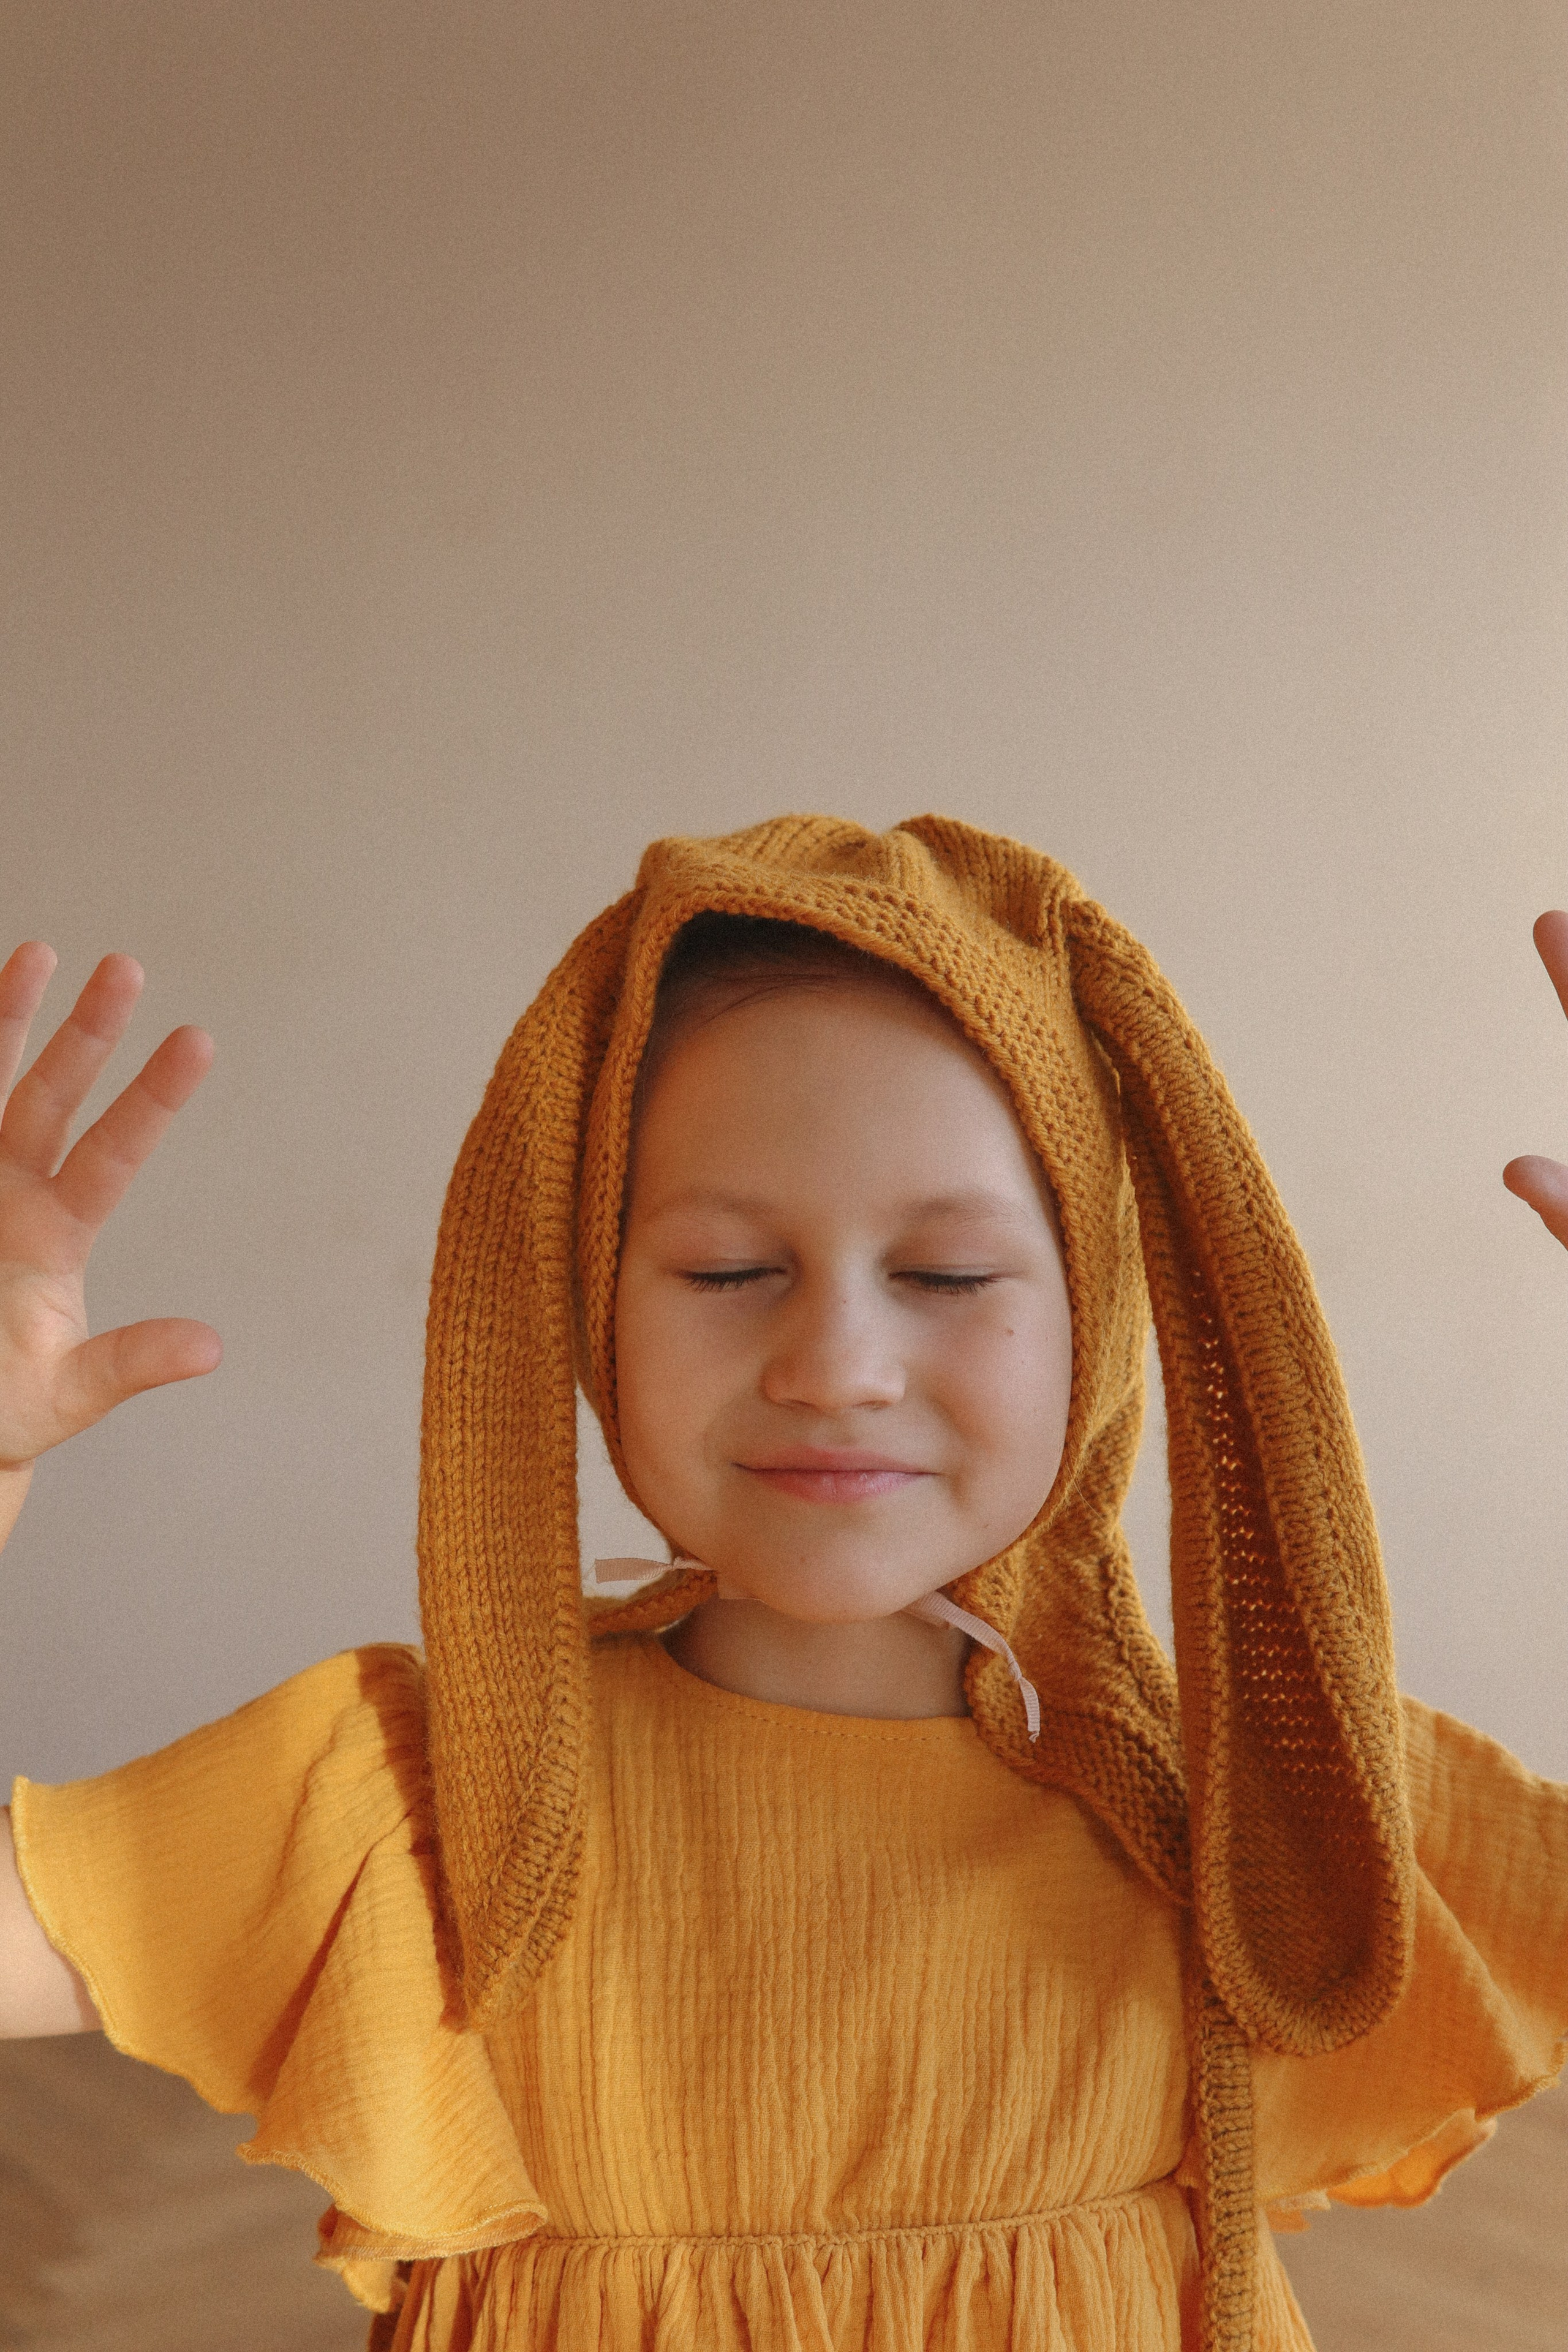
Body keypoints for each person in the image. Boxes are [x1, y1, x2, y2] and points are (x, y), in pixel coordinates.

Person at [0, 815, 1564, 2352]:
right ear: (585, 1303)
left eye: (945, 1276)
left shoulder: (1280, 1815)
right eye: (728, 1272)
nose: (834, 1368)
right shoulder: (411, 1804)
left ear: (1096, 1318)